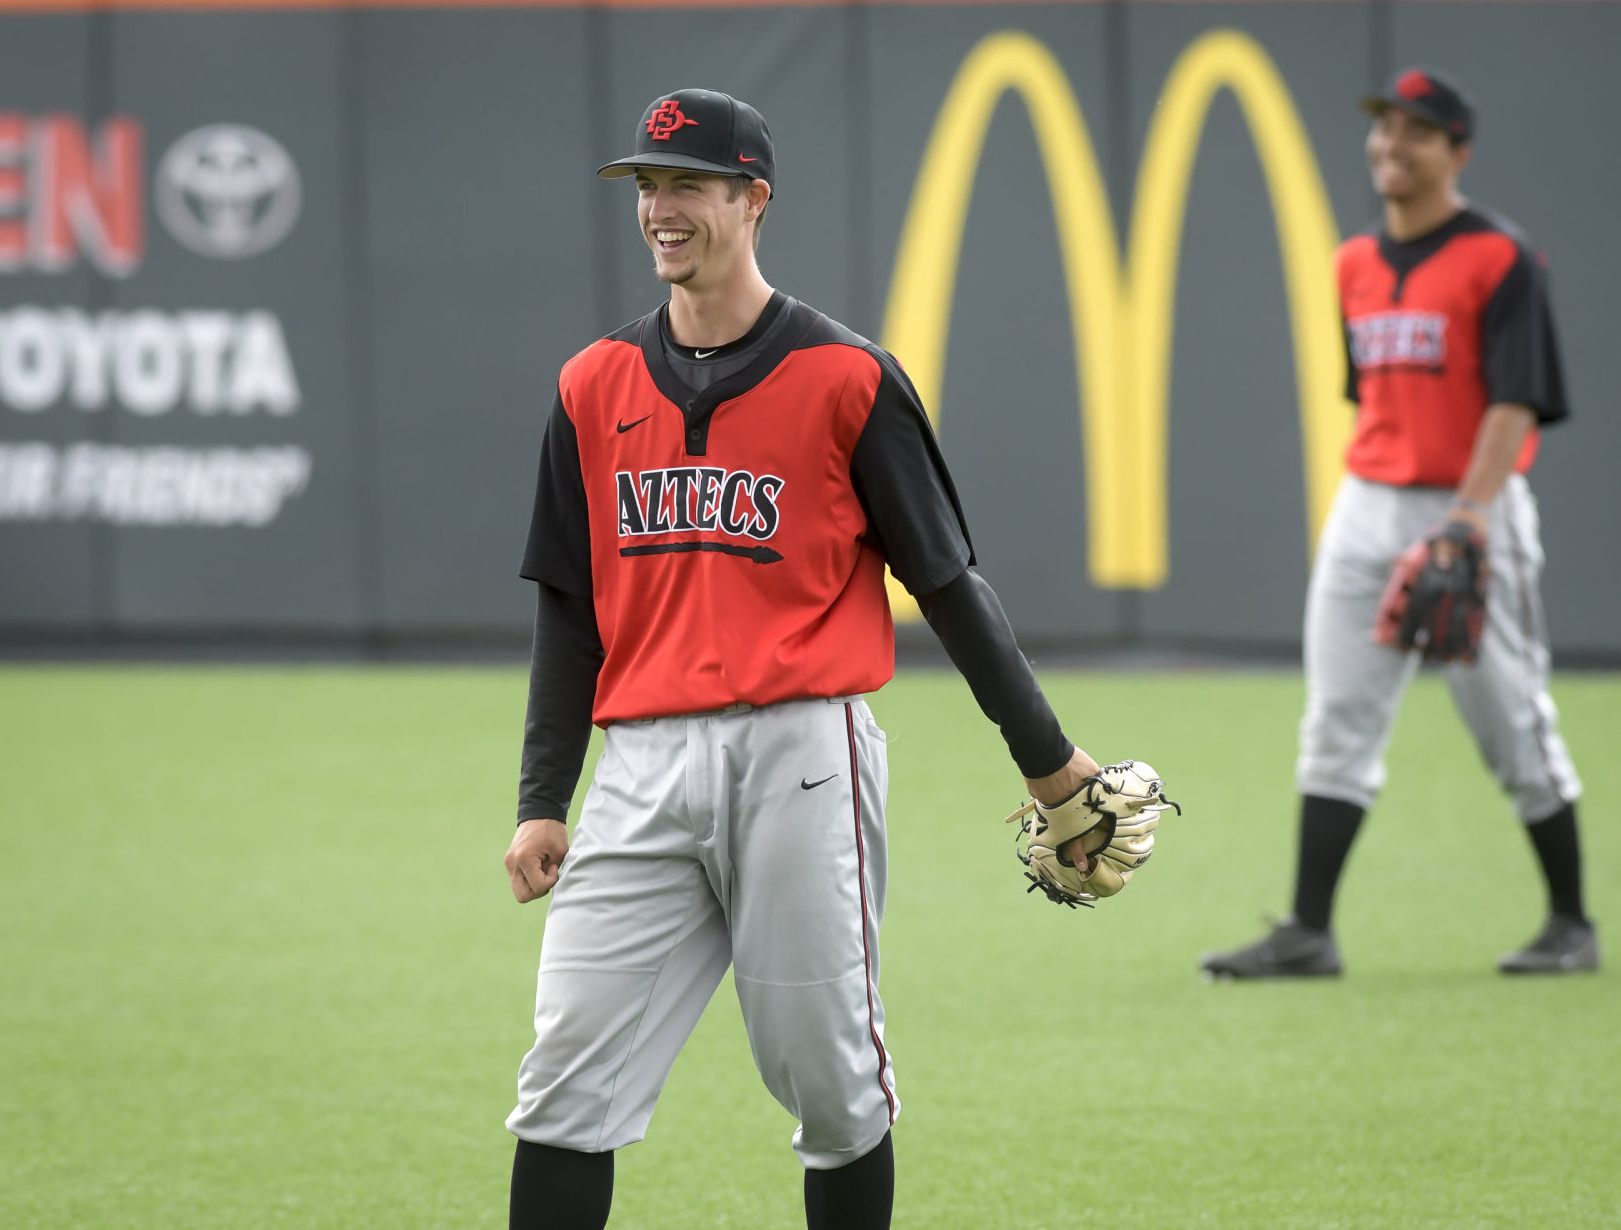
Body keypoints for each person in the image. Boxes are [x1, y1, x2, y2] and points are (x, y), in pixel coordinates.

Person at [502, 88, 1101, 1230]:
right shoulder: (591, 386)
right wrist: (541, 798)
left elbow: (944, 583)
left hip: (801, 756)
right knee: (564, 1081)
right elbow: (568, 609)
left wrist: (1047, 759)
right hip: (637, 768)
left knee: (829, 1084)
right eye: (645, 186)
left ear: (751, 199)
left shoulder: (846, 378)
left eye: (686, 185)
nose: (660, 210)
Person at [1201, 68, 1595, 980]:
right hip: (1367, 501)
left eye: (1416, 131)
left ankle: (1571, 923)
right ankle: (1307, 929)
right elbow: (1372, 394)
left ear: (1456, 151)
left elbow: (1515, 401)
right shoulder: (1352, 264)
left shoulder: (1499, 256)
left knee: (1510, 718)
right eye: (1383, 128)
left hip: (1471, 504)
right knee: (1336, 712)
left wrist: (1464, 518)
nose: (1391, 145)